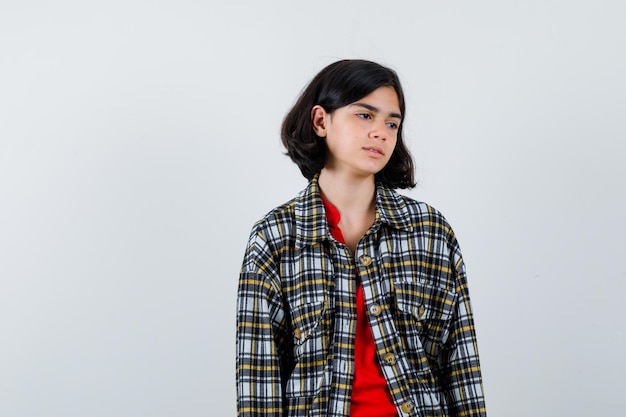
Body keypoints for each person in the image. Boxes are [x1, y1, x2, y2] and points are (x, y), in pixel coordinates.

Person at [236, 59, 486, 417]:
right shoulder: (276, 237)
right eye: (365, 115)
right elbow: (258, 380)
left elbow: (461, 363)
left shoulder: (430, 231)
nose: (381, 132)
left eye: (392, 122)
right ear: (321, 120)